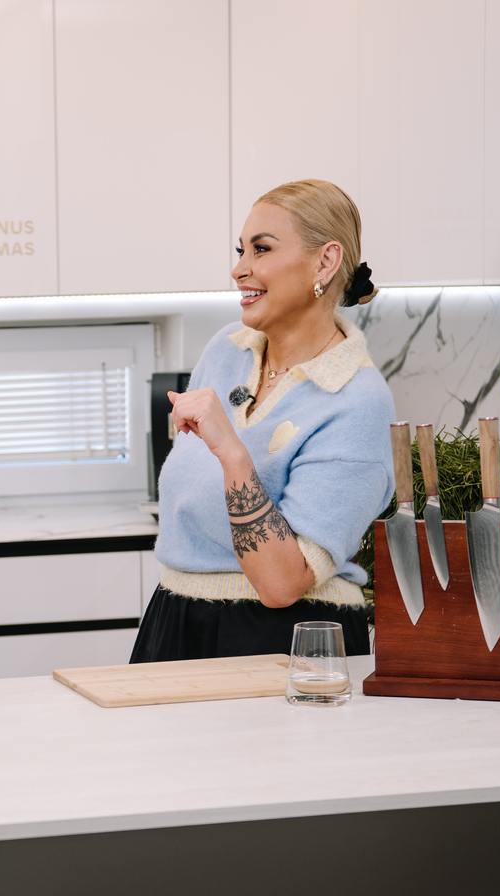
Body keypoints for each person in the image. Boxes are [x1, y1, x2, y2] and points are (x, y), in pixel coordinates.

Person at [131, 179, 395, 662]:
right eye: (241, 250)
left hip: (287, 642)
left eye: (262, 249)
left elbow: (281, 584)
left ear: (325, 261)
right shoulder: (227, 351)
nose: (239, 269)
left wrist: (233, 453)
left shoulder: (357, 399)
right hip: (175, 618)